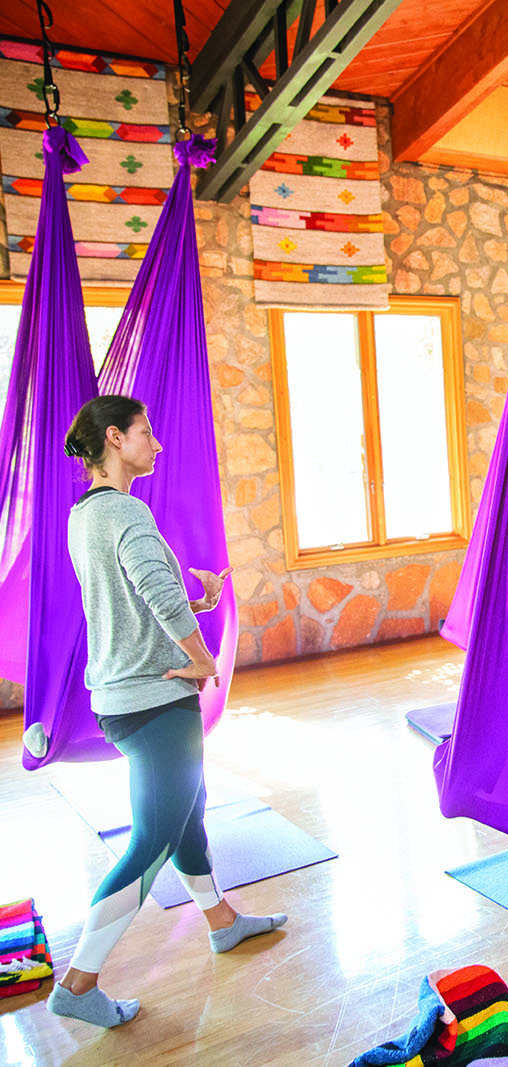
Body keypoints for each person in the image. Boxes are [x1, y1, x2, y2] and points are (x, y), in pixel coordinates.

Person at [47, 395, 286, 1029]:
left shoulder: (84, 516)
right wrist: (204, 657)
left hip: (124, 697)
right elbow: (154, 594)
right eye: (147, 432)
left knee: (186, 815)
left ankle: (222, 922)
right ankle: (78, 983)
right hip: (153, 702)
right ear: (115, 438)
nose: (156, 442)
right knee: (151, 840)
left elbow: (132, 602)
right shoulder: (128, 513)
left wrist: (198, 603)